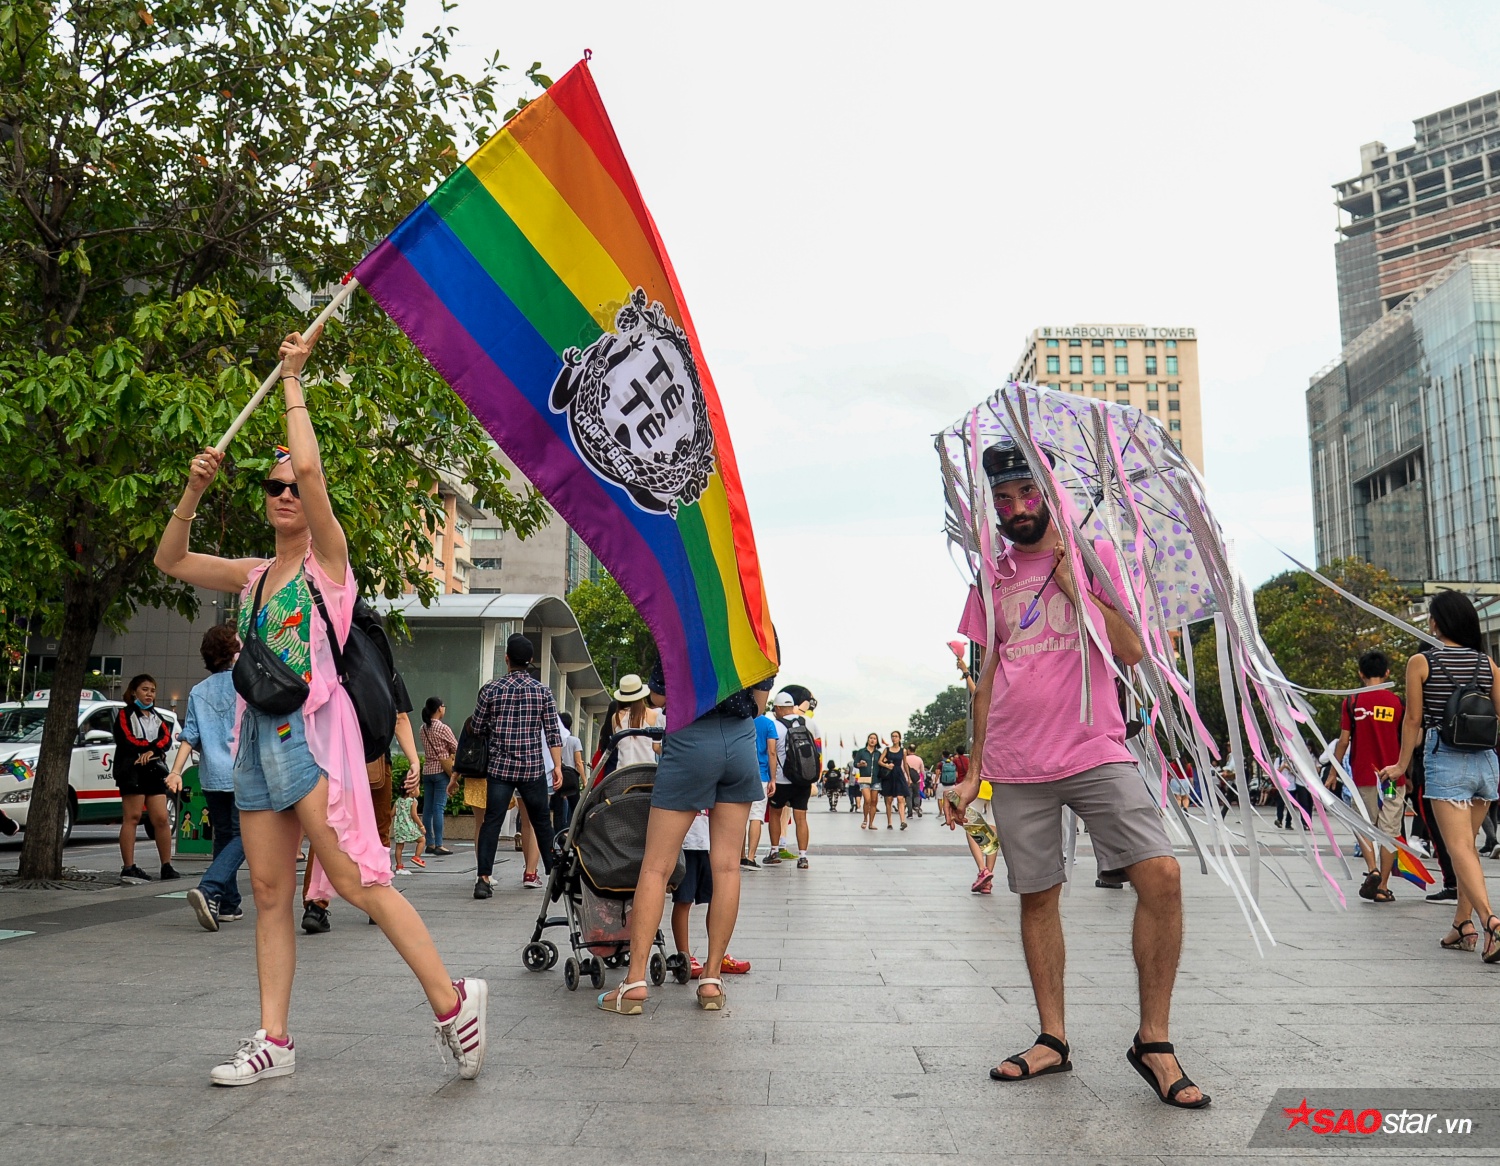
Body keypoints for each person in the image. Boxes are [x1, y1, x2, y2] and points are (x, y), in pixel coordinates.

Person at [153, 327, 485, 1084]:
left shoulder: (330, 566)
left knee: (362, 881)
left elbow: (309, 463)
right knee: (269, 890)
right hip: (254, 741)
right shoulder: (253, 575)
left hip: (311, 742)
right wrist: (194, 490)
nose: (285, 494)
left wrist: (293, 378)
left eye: (294, 487)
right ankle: (275, 1037)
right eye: (272, 488)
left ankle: (453, 1000)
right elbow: (170, 559)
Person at [944, 439, 1208, 1108]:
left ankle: (1154, 1041)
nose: (1016, 509)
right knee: (1037, 897)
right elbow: (985, 678)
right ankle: (1052, 1040)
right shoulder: (990, 575)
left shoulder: (1095, 559)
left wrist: (1072, 584)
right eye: (1003, 499)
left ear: (1049, 493)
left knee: (1162, 877)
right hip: (1017, 758)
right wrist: (973, 773)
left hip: (1095, 749)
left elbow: (1131, 648)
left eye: (1027, 495)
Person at [597, 662, 769, 1014]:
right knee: (726, 869)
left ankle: (634, 983)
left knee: (656, 868)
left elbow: (658, 697)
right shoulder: (756, 622)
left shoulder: (685, 611)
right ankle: (710, 979)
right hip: (740, 741)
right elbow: (760, 704)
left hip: (689, 736)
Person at [1377, 590, 1500, 961]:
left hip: (1446, 759)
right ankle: (1462, 926)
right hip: (1485, 764)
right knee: (1468, 850)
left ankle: (1491, 923)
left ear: (1435, 622)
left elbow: (1413, 719)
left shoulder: (1421, 662)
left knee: (1458, 847)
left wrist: (1401, 765)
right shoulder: (1488, 664)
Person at [470, 634, 563, 897]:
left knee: (492, 822)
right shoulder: (543, 691)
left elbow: (476, 727)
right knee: (542, 822)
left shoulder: (491, 689)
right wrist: (557, 766)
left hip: (500, 769)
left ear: (507, 658)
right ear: (530, 661)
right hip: (532, 768)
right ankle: (554, 876)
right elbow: (553, 732)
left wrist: (494, 728)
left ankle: (483, 879)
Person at [171, 626, 245, 930]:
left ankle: (227, 904)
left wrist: (176, 771)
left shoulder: (199, 690)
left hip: (212, 775)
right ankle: (210, 887)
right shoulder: (246, 685)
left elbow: (189, 736)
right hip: (244, 772)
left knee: (224, 836)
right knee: (247, 837)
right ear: (233, 652)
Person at [1333, 650, 1406, 903]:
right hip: (1393, 780)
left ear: (1360, 673)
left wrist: (1333, 772)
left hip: (1364, 777)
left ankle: (1372, 868)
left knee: (1364, 826)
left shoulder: (1352, 701)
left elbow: (1343, 741)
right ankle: (1383, 887)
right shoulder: (1397, 702)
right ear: (1387, 673)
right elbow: (1410, 739)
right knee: (1388, 831)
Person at [111, 674, 180, 883]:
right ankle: (129, 867)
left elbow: (166, 738)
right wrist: (147, 749)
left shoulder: (158, 716)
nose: (149, 694)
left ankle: (166, 865)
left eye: (152, 690)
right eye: (145, 689)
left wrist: (151, 751)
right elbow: (126, 738)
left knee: (161, 818)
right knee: (131, 818)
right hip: (131, 770)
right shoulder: (125, 714)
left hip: (153, 770)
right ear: (134, 692)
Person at [672, 807, 753, 980]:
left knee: (717, 899)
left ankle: (717, 956)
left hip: (714, 842)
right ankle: (685, 957)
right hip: (686, 842)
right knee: (684, 900)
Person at [767, 691, 822, 869]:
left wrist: (772, 778)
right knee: (801, 818)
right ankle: (803, 857)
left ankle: (774, 851)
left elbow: (772, 753)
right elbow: (817, 750)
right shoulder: (809, 722)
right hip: (803, 779)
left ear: (777, 708)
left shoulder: (774, 725)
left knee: (775, 814)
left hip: (783, 780)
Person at [418, 698, 459, 856]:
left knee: (427, 808)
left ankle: (429, 842)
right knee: (439, 808)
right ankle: (439, 844)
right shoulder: (442, 728)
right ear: (439, 709)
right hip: (442, 771)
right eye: (443, 706)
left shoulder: (423, 728)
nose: (444, 708)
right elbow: (456, 746)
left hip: (428, 770)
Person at [743, 707, 780, 869]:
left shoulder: (741, 720)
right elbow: (772, 752)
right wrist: (773, 778)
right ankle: (750, 857)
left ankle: (740, 856)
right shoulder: (768, 724)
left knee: (740, 818)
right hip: (762, 775)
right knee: (756, 816)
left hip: (740, 773)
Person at [554, 711, 586, 834]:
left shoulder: (555, 739)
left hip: (557, 775)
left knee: (558, 810)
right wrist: (584, 779)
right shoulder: (575, 741)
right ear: (570, 725)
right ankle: (573, 834)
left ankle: (557, 836)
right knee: (575, 808)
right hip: (571, 777)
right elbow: (578, 762)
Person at [877, 730, 910, 830]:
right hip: (889, 775)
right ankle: (889, 822)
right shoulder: (887, 750)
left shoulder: (903, 750)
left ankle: (903, 821)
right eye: (892, 736)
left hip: (899, 774)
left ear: (899, 738)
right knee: (889, 799)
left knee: (901, 798)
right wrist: (886, 765)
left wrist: (908, 777)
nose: (894, 738)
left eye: (896, 736)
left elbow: (905, 764)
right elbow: (879, 761)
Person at [391, 784, 424, 871]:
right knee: (422, 840)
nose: (419, 791)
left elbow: (392, 814)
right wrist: (421, 826)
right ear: (412, 791)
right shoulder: (413, 801)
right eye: (418, 788)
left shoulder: (398, 800)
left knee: (399, 847)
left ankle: (399, 865)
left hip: (399, 828)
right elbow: (414, 815)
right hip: (409, 827)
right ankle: (416, 857)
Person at [853, 733, 882, 829]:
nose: (872, 740)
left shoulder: (878, 753)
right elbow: (855, 764)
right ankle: (865, 819)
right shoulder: (861, 751)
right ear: (868, 739)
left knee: (874, 801)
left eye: (874, 738)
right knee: (867, 799)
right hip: (864, 778)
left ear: (877, 741)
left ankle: (871, 823)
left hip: (876, 779)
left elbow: (882, 763)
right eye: (871, 738)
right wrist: (860, 764)